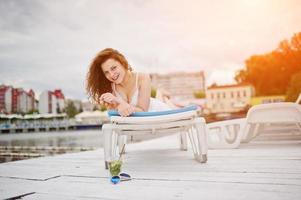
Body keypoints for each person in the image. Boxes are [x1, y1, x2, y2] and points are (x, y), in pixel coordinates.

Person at [86, 48, 171, 117]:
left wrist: (119, 101)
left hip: (159, 114)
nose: (111, 74)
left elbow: (143, 111)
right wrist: (113, 105)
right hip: (137, 127)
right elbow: (116, 115)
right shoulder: (110, 89)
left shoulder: (142, 78)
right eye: (106, 72)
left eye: (114, 68)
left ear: (123, 63)